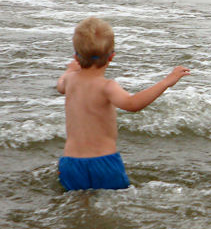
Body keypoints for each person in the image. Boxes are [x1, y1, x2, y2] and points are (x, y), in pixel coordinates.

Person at [57, 17, 190, 191]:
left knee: (78, 206)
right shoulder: (107, 86)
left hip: (70, 163)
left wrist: (70, 69)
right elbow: (132, 104)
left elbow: (60, 87)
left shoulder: (69, 79)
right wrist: (166, 82)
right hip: (103, 162)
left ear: (75, 55)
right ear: (111, 57)